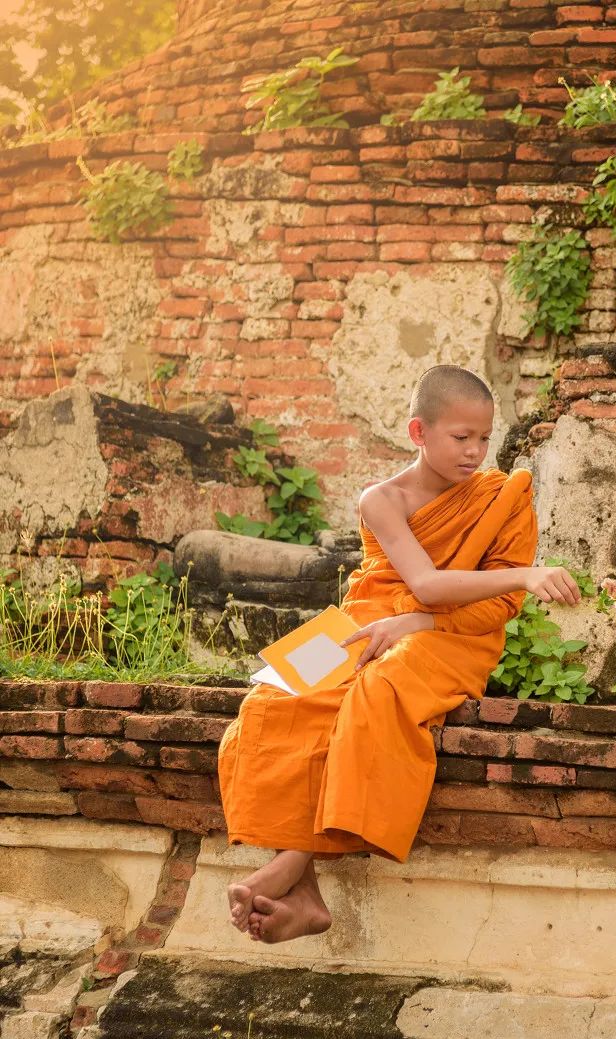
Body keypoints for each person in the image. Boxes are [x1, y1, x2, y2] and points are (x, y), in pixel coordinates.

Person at [218, 364, 580, 944]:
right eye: (460, 438)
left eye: (484, 439)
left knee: (376, 690)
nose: (475, 453)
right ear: (419, 432)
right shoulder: (380, 498)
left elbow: (489, 607)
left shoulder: (505, 496)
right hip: (366, 616)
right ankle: (304, 894)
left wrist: (419, 621)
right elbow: (426, 581)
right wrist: (528, 574)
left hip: (455, 634)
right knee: (272, 700)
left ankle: (290, 868)